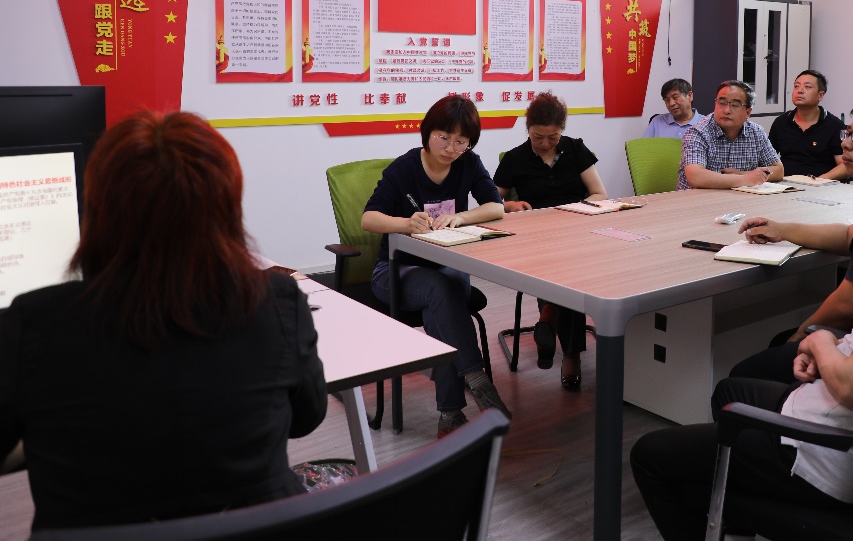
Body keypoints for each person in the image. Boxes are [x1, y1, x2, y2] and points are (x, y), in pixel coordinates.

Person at [631, 132, 853, 539]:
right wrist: (832, 347)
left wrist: (817, 341)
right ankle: (736, 508)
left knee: (650, 455)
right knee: (731, 390)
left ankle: (731, 499)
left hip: (826, 454)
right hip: (847, 426)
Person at [0, 112, 326, 532]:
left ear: (98, 211)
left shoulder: (34, 323)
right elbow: (306, 418)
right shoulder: (276, 302)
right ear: (226, 210)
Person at [729, 99, 853, 381]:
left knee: (740, 376)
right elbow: (849, 235)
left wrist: (799, 337)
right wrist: (781, 229)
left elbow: (845, 307)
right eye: (847, 133)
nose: (845, 144)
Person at [363, 94, 512, 436]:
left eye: (461, 141)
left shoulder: (468, 163)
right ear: (428, 132)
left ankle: (451, 414)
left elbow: (496, 207)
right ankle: (476, 378)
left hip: (445, 264)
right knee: (443, 290)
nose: (450, 148)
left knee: (441, 304)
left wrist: (460, 217)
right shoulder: (404, 168)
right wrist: (406, 223)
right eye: (443, 137)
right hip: (394, 272)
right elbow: (368, 219)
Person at [494, 91, 607, 391]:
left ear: (562, 130)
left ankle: (549, 317)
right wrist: (510, 205)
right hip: (536, 237)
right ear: (527, 129)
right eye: (538, 137)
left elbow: (600, 193)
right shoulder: (515, 158)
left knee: (569, 263)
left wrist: (577, 209)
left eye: (552, 137)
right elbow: (490, 201)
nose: (545, 143)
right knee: (563, 268)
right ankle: (571, 354)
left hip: (576, 229)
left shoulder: (576, 149)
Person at [678, 80, 784, 190]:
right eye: (722, 103)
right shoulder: (698, 132)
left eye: (735, 105)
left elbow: (778, 170)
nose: (726, 110)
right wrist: (745, 179)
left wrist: (743, 174)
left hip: (738, 198)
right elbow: (695, 177)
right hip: (697, 199)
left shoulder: (756, 132)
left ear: (748, 112)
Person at [766, 69, 848, 180]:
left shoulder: (834, 125)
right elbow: (768, 160)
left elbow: (845, 165)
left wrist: (819, 181)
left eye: (807, 87)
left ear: (820, 95)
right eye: (796, 86)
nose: (800, 91)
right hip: (785, 184)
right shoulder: (781, 122)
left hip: (821, 185)